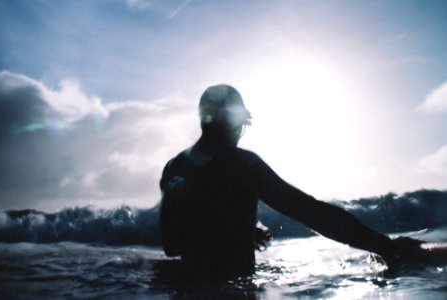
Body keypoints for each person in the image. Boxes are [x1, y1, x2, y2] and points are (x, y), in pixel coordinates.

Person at [159, 84, 425, 279]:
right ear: (228, 120)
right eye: (240, 121)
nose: (241, 132)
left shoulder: (174, 167)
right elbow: (310, 212)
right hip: (232, 289)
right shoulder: (242, 164)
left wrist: (239, 230)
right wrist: (385, 246)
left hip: (185, 288)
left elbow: (172, 244)